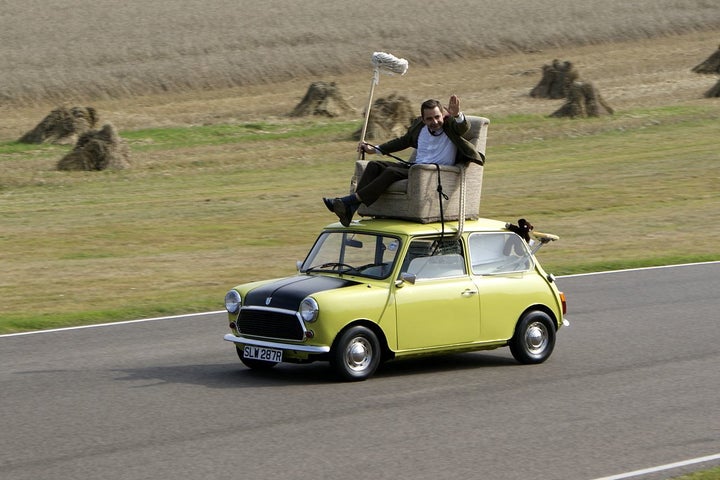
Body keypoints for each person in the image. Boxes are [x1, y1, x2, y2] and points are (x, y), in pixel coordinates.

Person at [323, 95, 484, 226]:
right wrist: (375, 149)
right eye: (429, 119)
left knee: (391, 172)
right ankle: (350, 210)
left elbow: (463, 128)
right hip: (414, 167)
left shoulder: (451, 126)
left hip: (433, 172)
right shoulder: (419, 128)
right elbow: (402, 141)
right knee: (374, 166)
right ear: (422, 119)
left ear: (443, 115)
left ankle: (348, 201)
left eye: (437, 117)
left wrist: (456, 115)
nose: (434, 122)